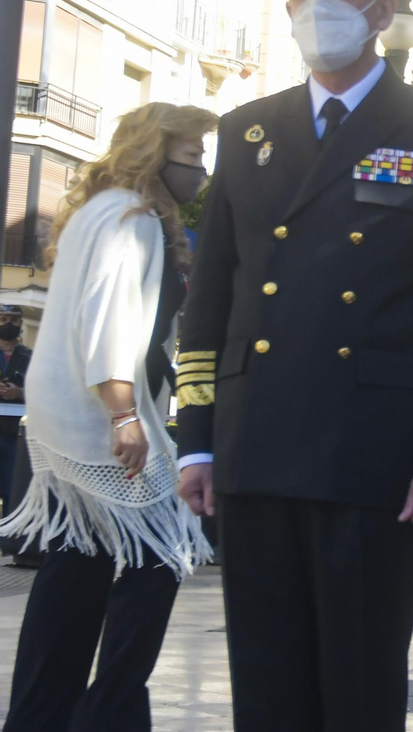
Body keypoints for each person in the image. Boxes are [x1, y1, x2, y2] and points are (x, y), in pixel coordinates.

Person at [175, 0, 413, 731]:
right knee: (267, 680)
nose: (318, 5)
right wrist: (198, 436)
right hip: (257, 442)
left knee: (358, 682)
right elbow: (210, 298)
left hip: (374, 453)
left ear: (383, 10)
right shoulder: (248, 131)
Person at [0, 102, 217, 731]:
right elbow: (109, 321)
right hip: (98, 416)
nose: (200, 169)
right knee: (166, 551)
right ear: (156, 156)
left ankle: (45, 716)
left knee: (78, 563)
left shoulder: (101, 211)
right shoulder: (132, 218)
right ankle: (109, 711)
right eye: (192, 156)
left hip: (63, 410)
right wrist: (124, 415)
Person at [0, 307, 33, 514]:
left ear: (21, 323)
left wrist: (19, 391)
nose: (8, 324)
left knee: (13, 490)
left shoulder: (30, 357)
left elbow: (43, 390)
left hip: (15, 434)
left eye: (14, 320)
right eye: (3, 319)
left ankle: (8, 541)